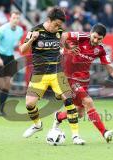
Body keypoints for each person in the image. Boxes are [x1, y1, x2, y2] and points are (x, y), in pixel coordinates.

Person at [52, 23, 113, 143]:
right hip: (69, 78)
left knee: (79, 113)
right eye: (94, 36)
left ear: (103, 39)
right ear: (91, 33)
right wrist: (68, 47)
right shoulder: (81, 37)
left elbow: (109, 68)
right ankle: (104, 132)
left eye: (99, 39)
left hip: (84, 80)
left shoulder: (101, 50)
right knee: (88, 101)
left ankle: (58, 116)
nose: (95, 40)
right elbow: (64, 35)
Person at [20, 7, 85, 145]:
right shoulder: (35, 31)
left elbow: (62, 43)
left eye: (60, 26)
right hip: (39, 74)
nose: (57, 28)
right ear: (48, 20)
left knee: (69, 101)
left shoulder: (59, 32)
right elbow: (22, 50)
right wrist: (31, 40)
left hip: (57, 73)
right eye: (56, 24)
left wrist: (69, 48)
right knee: (29, 104)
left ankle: (75, 136)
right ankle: (37, 125)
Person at [0, 11, 23, 116]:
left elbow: (16, 44)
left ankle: (1, 110)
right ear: (9, 18)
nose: (16, 20)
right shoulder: (1, 30)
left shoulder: (20, 30)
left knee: (7, 84)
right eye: (14, 18)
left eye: (17, 18)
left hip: (10, 57)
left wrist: (20, 47)